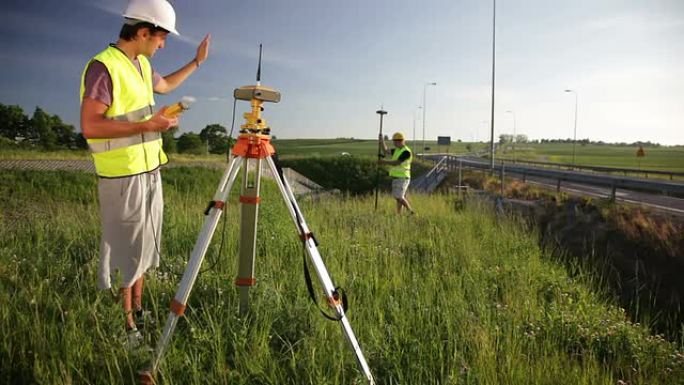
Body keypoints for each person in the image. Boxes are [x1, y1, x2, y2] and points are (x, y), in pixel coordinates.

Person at [79, 0, 210, 343]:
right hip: (122, 176)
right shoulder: (103, 67)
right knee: (127, 250)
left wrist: (197, 62)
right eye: (161, 38)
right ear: (143, 32)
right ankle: (128, 328)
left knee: (145, 246)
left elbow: (164, 86)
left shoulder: (139, 64)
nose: (163, 45)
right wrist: (148, 125)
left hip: (149, 169)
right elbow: (91, 126)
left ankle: (138, 309)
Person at [378, 132, 415, 214]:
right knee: (399, 198)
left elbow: (397, 163)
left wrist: (383, 162)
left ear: (400, 141)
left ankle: (410, 211)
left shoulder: (406, 152)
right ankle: (399, 214)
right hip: (398, 177)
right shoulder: (397, 150)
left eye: (395, 141)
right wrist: (382, 141)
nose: (394, 143)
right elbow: (386, 151)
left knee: (398, 197)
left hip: (402, 177)